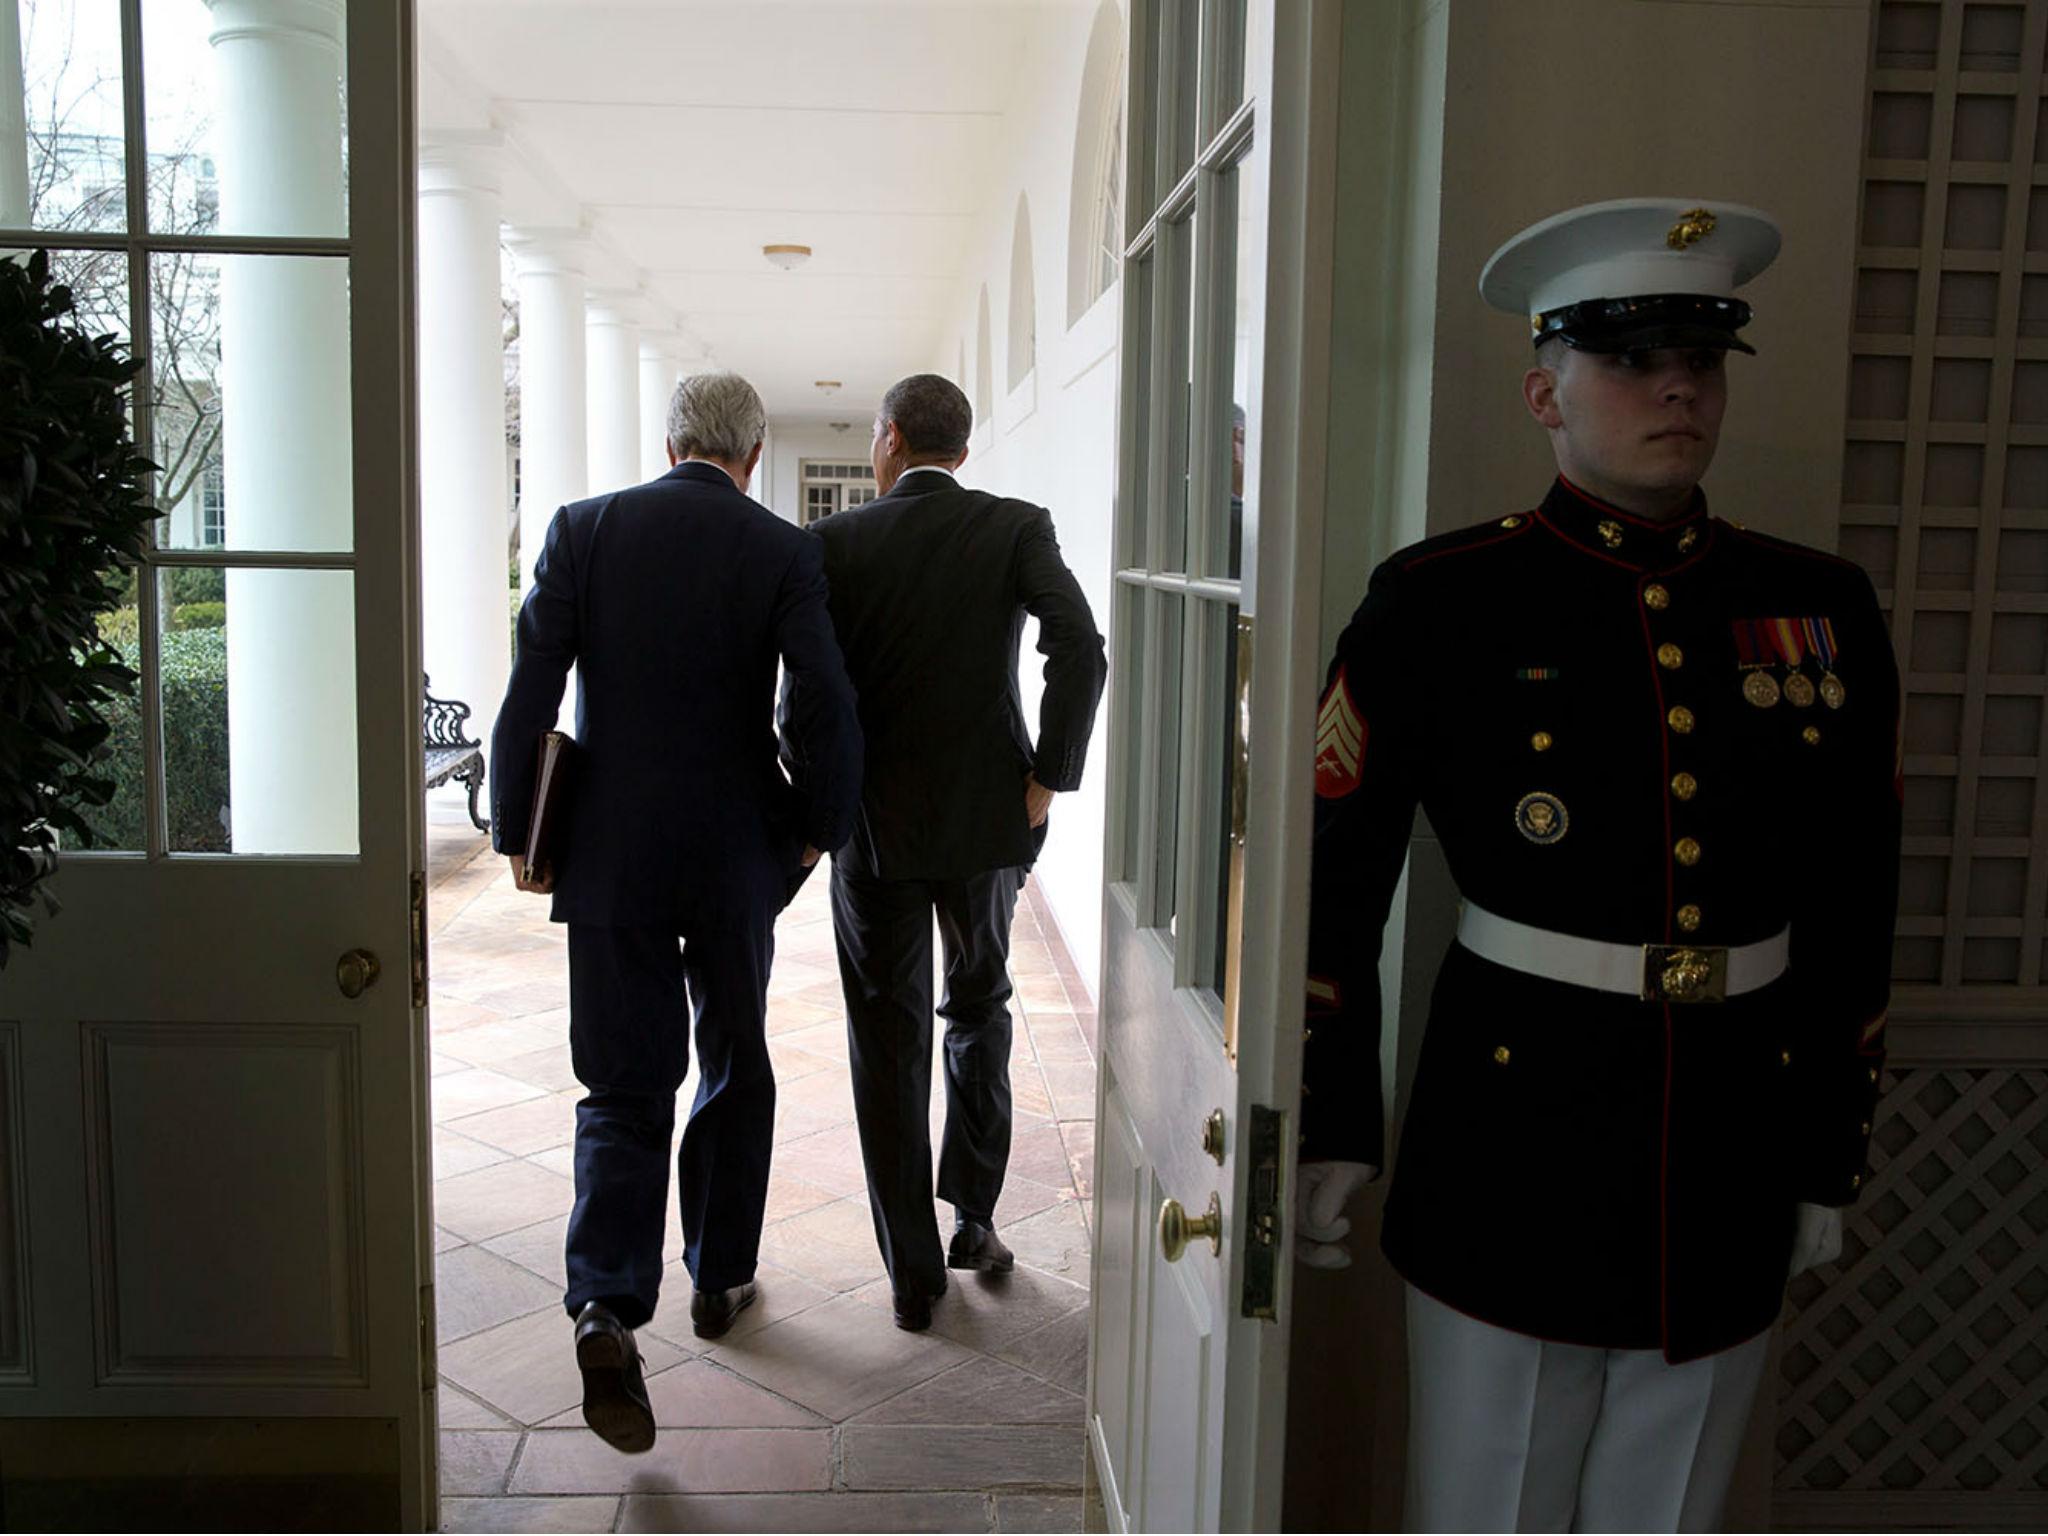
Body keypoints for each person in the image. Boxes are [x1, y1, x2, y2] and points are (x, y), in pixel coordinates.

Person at [1297, 199, 1901, 1531]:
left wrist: (1825, 1152)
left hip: (1736, 1129)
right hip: (1513, 1124)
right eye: (1630, 358)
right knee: (1486, 1501)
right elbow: (1337, 880)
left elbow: (1859, 892)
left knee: (1669, 1510)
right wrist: (1332, 1117)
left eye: (1702, 356)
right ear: (1543, 392)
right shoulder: (1440, 599)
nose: (1677, 384)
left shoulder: (1817, 609)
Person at [489, 371, 861, 1453]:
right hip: (735, 853)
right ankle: (719, 1277)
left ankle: (606, 1297)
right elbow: (823, 702)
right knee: (733, 1056)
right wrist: (816, 824)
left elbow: (532, 688)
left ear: (667, 441)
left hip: (610, 852)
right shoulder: (782, 550)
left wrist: (522, 831)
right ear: (749, 453)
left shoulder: (584, 529)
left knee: (619, 1079)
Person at [788, 372, 1107, 1332]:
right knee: (980, 1006)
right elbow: (1080, 646)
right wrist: (1048, 776)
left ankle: (911, 1274)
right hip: (987, 823)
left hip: (874, 830)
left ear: (887, 439)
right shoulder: (1014, 524)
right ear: (961, 453)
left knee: (885, 1040)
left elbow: (806, 693)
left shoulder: (833, 542)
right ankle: (974, 1219)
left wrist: (819, 805)